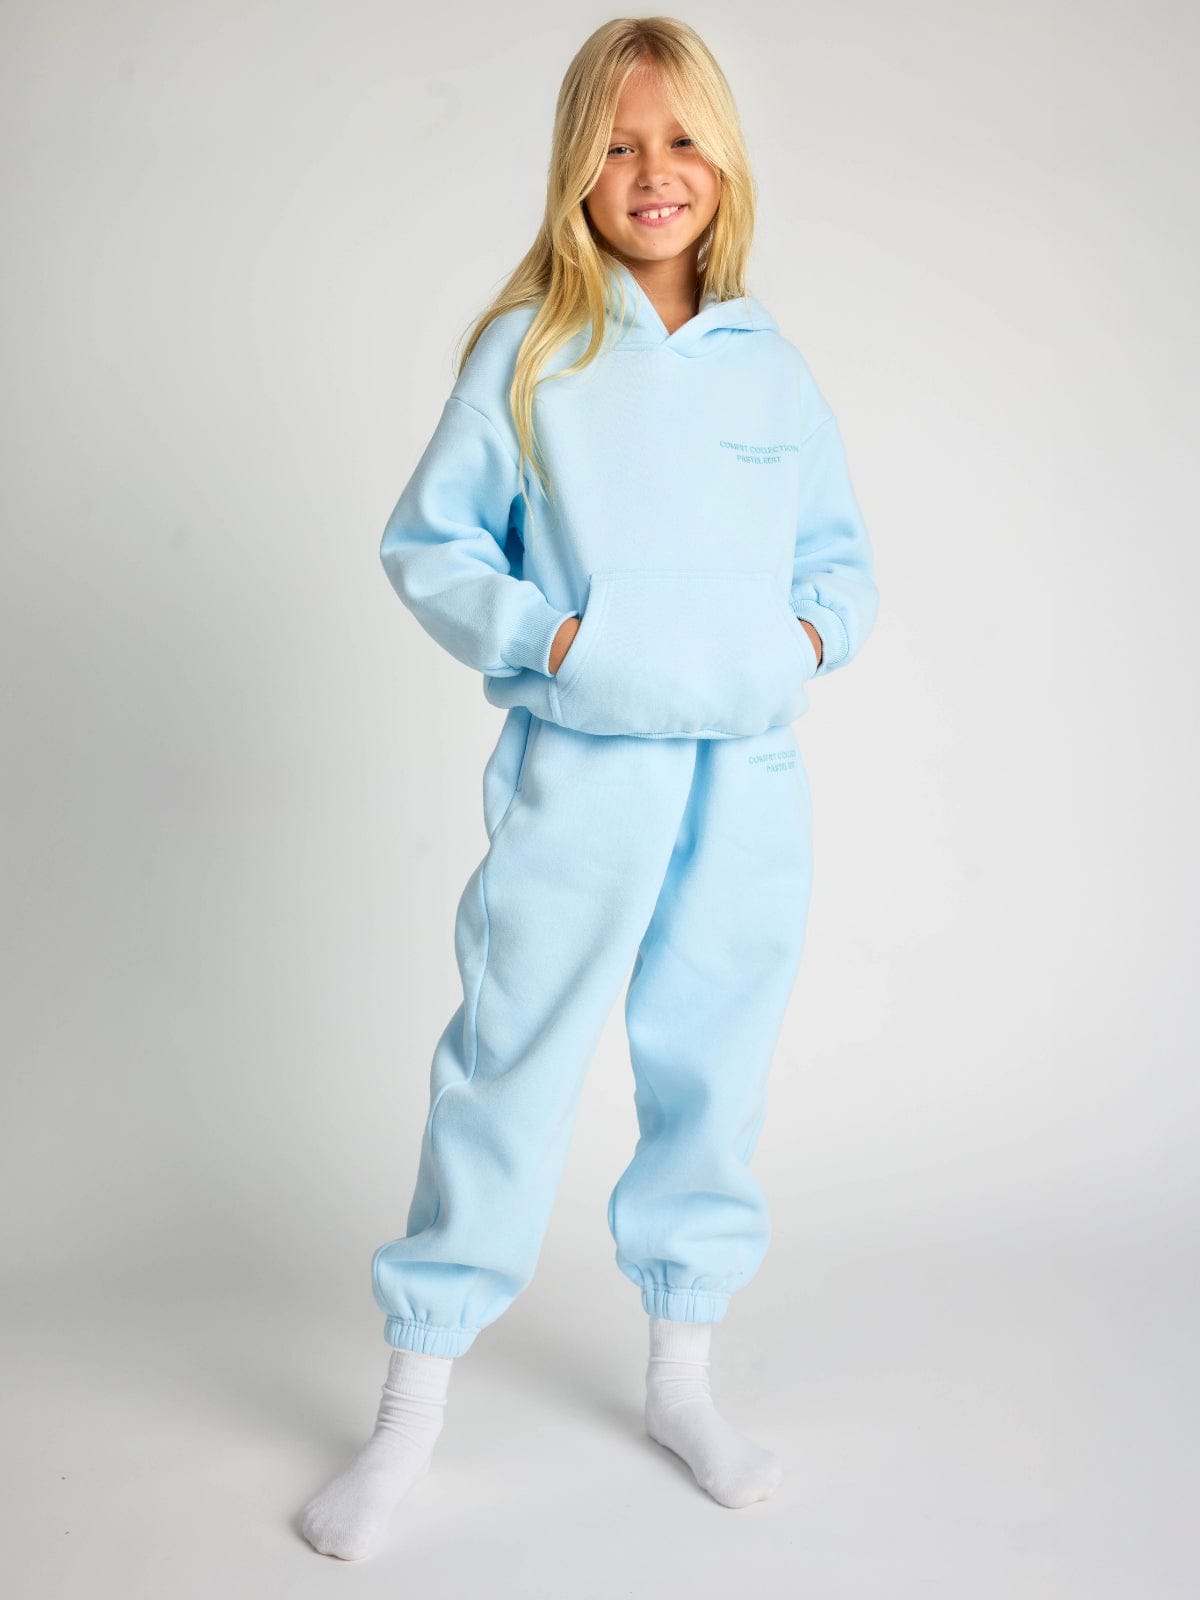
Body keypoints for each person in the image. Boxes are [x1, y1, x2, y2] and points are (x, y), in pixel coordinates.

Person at [300, 15, 878, 1560]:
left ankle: (683, 1381)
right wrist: (560, 640)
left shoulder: (773, 370)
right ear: (575, 167)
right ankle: (411, 1410)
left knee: (713, 1071)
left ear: (726, 163)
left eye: (681, 139)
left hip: (744, 783)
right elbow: (430, 544)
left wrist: (796, 642)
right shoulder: (533, 352)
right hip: (583, 775)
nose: (652, 170)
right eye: (618, 144)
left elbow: (842, 566)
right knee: (509, 1065)